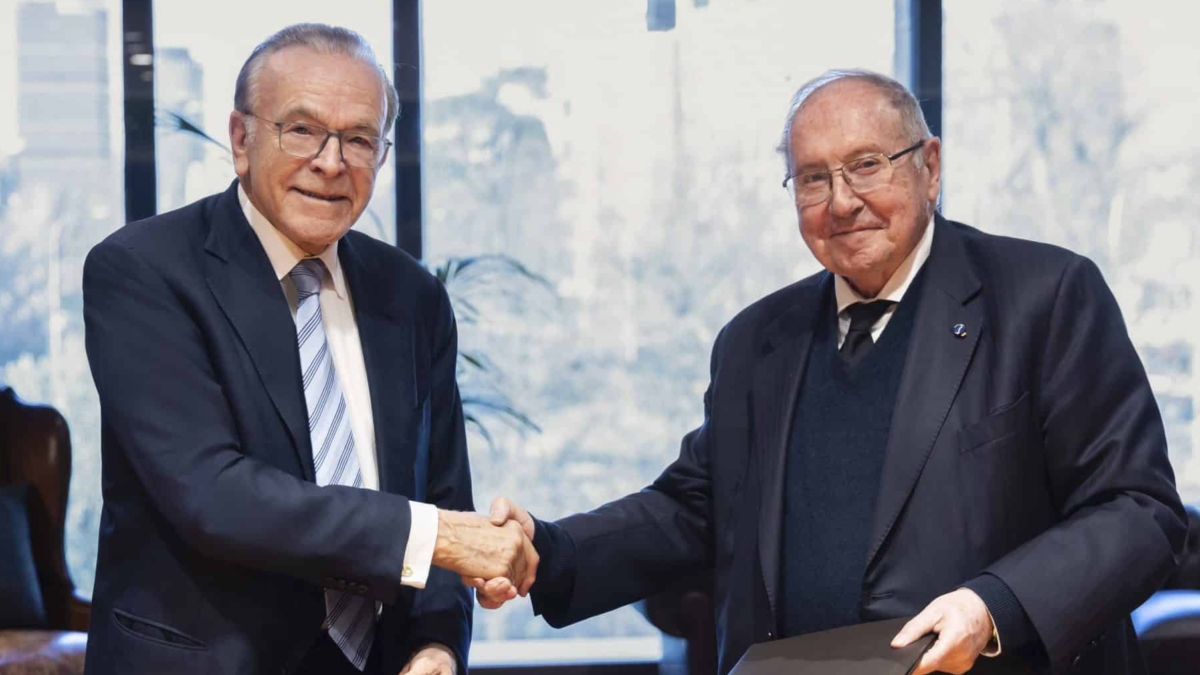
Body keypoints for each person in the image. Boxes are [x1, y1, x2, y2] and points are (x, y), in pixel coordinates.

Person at [476, 69, 1186, 675]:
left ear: (930, 166)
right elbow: (693, 507)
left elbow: (1137, 510)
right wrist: (548, 549)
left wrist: (993, 604)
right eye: (813, 178)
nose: (841, 201)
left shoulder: (1044, 296)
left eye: (866, 164)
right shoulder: (757, 341)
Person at [82, 24, 534, 675]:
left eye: (358, 139)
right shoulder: (143, 272)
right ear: (241, 140)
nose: (330, 161)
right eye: (301, 129)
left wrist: (435, 645)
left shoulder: (412, 297)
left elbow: (442, 500)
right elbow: (212, 493)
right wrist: (435, 536)